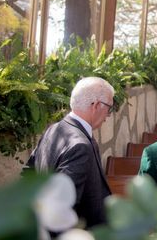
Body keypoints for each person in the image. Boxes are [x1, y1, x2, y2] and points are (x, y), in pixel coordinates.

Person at [25, 77, 114, 228]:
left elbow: (27, 175)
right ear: (96, 105)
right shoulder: (80, 146)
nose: (108, 115)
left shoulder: (52, 130)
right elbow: (63, 209)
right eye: (109, 108)